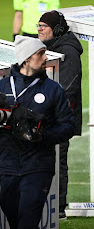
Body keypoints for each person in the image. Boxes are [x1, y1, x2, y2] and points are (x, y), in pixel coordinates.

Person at [0, 35, 75, 228]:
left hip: (38, 166)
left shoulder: (53, 89)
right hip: (5, 166)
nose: (45, 58)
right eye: (41, 54)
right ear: (26, 59)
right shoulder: (2, 87)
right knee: (15, 221)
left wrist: (41, 135)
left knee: (28, 220)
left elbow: (68, 126)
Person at [37, 10, 83, 220]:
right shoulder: (51, 48)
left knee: (57, 161)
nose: (39, 30)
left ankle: (59, 209)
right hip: (47, 118)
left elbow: (68, 88)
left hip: (60, 120)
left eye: (43, 26)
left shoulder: (68, 52)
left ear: (56, 29)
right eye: (38, 25)